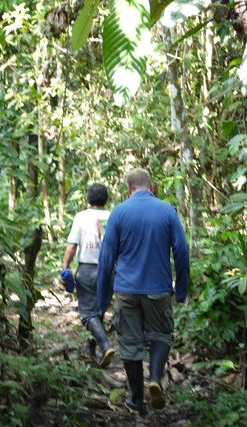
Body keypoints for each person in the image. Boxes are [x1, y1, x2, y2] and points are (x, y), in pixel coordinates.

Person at [97, 168, 189, 414]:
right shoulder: (167, 211)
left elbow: (106, 258)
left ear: (129, 190)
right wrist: (181, 289)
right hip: (158, 288)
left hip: (126, 289)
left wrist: (103, 297)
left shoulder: (119, 212)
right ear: (153, 187)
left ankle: (136, 399)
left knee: (129, 342)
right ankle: (156, 379)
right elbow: (181, 250)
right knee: (161, 334)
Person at [61, 184, 115, 368]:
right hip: (109, 271)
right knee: (98, 311)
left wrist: (65, 267)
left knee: (87, 314)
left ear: (88, 199)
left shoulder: (81, 217)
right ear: (105, 200)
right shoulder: (113, 216)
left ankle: (106, 345)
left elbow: (72, 246)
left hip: (87, 270)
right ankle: (90, 352)